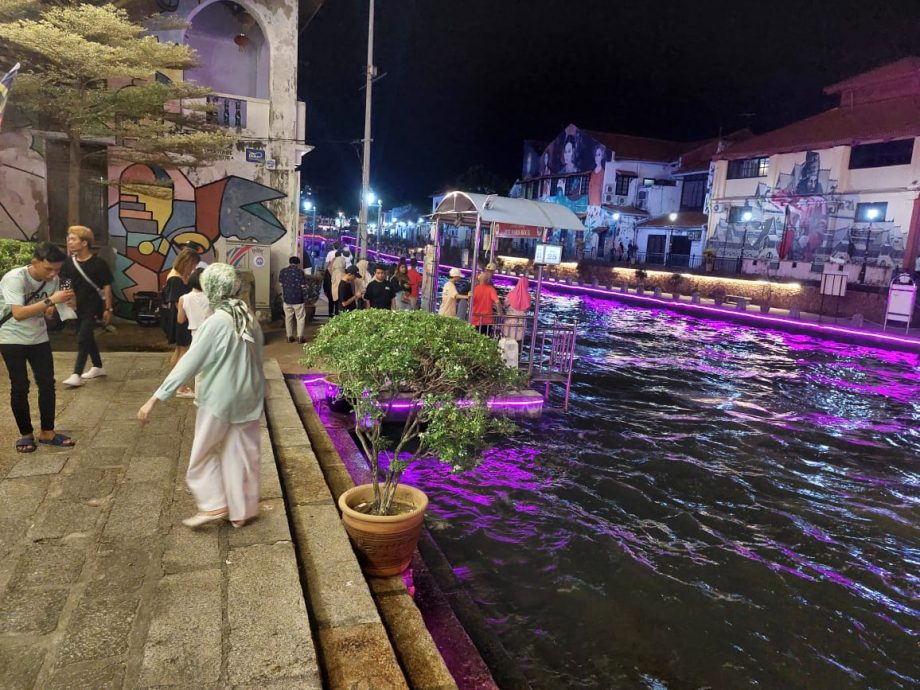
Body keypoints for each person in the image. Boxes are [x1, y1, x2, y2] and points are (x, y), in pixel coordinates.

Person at [138, 263, 265, 529]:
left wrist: (156, 398)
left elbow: (189, 363)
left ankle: (214, 503)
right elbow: (258, 359)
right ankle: (241, 512)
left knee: (202, 453)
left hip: (219, 398)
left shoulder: (216, 322)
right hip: (249, 396)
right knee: (242, 453)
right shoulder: (248, 317)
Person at [0, 242, 76, 453]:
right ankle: (25, 434)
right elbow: (18, 313)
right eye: (48, 269)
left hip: (39, 337)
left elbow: (54, 309)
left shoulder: (55, 281)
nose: (53, 275)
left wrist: (58, 306)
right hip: (11, 337)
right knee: (20, 385)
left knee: (47, 383)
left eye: (57, 270)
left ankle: (47, 432)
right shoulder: (15, 279)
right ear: (35, 262)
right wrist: (51, 300)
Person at [60, 225, 114, 388]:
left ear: (84, 243)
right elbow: (65, 282)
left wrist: (108, 308)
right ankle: (98, 366)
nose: (69, 242)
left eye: (73, 239)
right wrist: (68, 300)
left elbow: (106, 286)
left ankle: (76, 374)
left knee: (83, 337)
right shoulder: (69, 262)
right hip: (76, 306)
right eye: (68, 239)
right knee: (87, 336)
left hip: (93, 305)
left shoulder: (99, 263)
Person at [162, 248, 198, 398]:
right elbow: (178, 304)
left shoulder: (179, 276)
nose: (194, 268)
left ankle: (172, 383)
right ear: (187, 262)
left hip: (179, 318)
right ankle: (180, 387)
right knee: (183, 352)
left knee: (179, 350)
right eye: (193, 264)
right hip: (181, 319)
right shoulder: (175, 279)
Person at [279, 256, 309, 343]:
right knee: (300, 318)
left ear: (289, 262)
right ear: (298, 264)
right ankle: (300, 337)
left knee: (288, 318)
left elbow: (280, 284)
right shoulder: (300, 272)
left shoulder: (283, 271)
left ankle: (289, 336)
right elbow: (303, 285)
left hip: (287, 299)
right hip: (298, 299)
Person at [471, 266, 502, 335]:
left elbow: (471, 302)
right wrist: (500, 313)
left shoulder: (474, 289)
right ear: (487, 280)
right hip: (487, 320)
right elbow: (497, 302)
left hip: (475, 319)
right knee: (485, 340)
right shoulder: (491, 289)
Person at [504, 275, 531, 341]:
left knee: (506, 344)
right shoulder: (528, 297)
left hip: (509, 322)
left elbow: (505, 304)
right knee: (517, 345)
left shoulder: (511, 294)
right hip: (520, 325)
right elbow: (527, 309)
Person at [328, 253, 347, 317]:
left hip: (334, 292)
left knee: (336, 305)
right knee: (339, 307)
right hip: (341, 293)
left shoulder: (334, 271)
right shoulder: (342, 272)